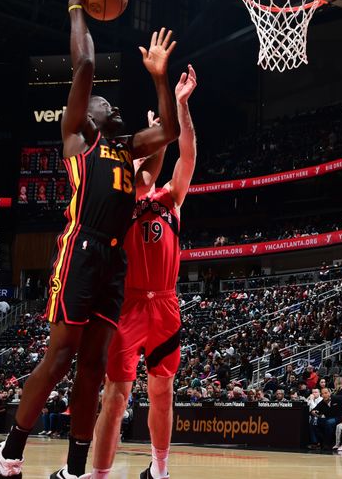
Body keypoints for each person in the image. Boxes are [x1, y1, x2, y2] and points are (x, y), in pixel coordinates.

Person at [0, 0, 181, 479]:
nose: (110, 103)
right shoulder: (79, 137)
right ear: (85, 111)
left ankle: (75, 471)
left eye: (111, 103)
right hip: (82, 248)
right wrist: (77, 6)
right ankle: (11, 452)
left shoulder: (125, 146)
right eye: (102, 101)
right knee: (61, 358)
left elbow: (169, 130)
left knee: (94, 368)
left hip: (114, 259)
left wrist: (160, 76)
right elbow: (88, 65)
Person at [91, 65, 197, 479]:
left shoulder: (170, 198)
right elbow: (147, 160)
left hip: (165, 305)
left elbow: (186, 154)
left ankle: (159, 470)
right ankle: (98, 474)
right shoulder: (118, 198)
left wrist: (180, 106)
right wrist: (154, 139)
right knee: (115, 398)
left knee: (162, 392)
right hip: (127, 305)